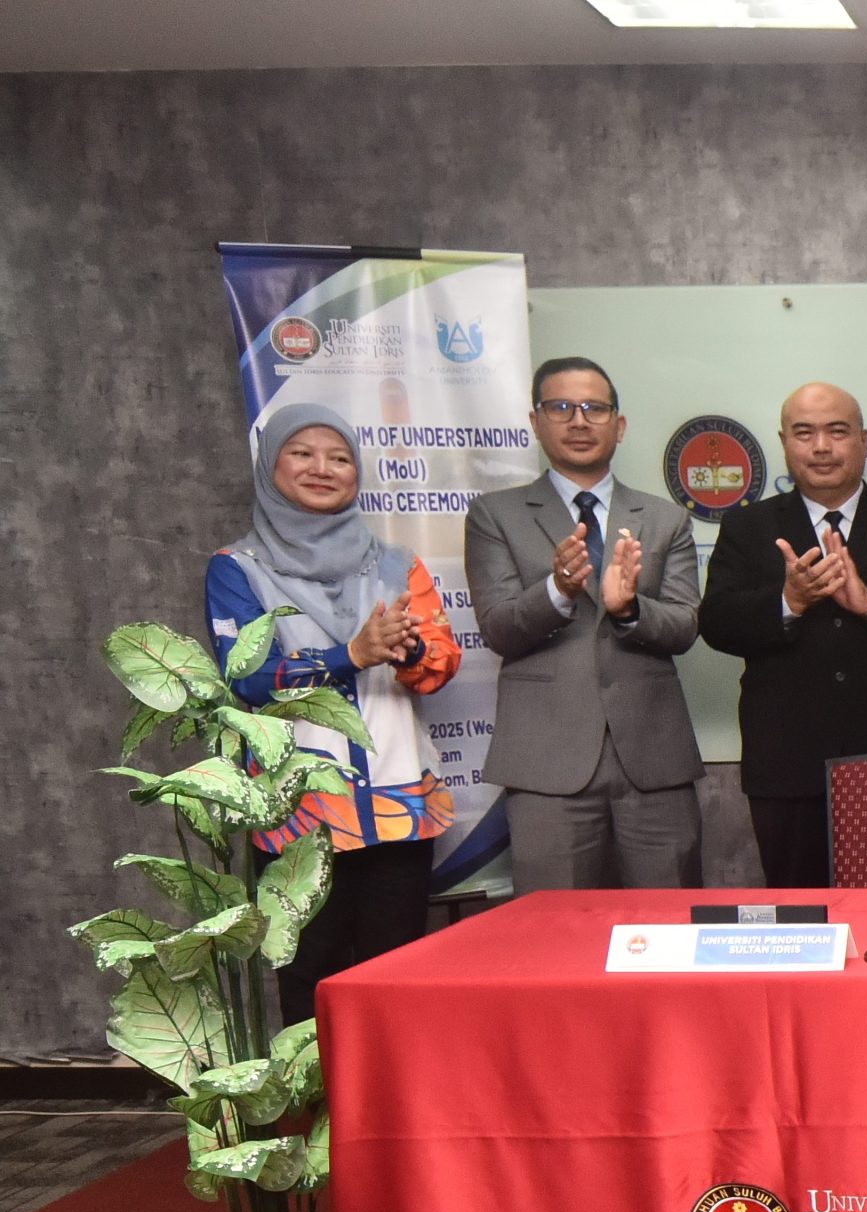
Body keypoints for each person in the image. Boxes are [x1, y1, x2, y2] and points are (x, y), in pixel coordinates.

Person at [203, 403, 460, 1025]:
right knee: (311, 978)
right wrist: (350, 655)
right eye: (303, 453)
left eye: (340, 457)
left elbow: (443, 662)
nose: (323, 468)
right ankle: (320, 1117)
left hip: (397, 806)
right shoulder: (237, 569)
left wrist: (410, 649)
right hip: (299, 812)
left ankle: (393, 1115)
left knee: (398, 979)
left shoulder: (399, 564)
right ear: (271, 466)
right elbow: (249, 676)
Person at [463, 357, 705, 893]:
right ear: (535, 421)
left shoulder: (665, 518)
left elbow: (686, 624)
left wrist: (628, 610)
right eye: (562, 407)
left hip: (654, 761)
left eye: (594, 408)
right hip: (547, 764)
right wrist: (558, 591)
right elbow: (499, 628)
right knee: (555, 941)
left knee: (668, 933)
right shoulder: (494, 514)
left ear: (619, 425)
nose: (579, 420)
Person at [698, 382, 867, 887]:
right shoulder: (748, 525)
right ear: (784, 442)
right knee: (800, 917)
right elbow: (715, 622)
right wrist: (791, 602)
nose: (822, 447)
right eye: (805, 433)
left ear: (865, 440)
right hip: (787, 763)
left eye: (837, 431)